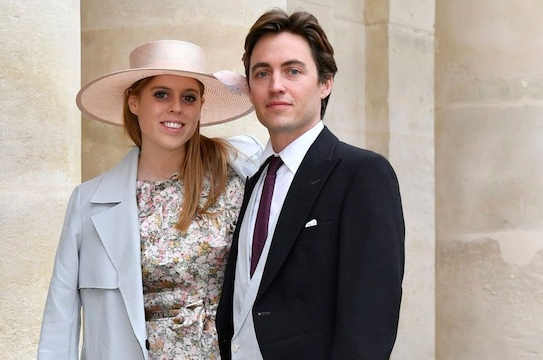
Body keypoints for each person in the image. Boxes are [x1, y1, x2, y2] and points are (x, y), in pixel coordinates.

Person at [38, 39, 262, 359]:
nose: (176, 108)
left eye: (189, 97)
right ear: (133, 101)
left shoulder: (236, 181)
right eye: (161, 94)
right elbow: (60, 320)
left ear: (200, 106)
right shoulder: (87, 203)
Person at [216, 8, 406, 359]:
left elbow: (369, 325)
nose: (276, 85)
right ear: (251, 88)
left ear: (325, 82)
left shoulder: (362, 175)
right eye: (262, 73)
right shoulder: (251, 179)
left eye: (293, 70)